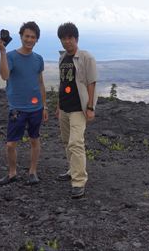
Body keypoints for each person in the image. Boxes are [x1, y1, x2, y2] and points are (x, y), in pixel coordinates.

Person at [0, 21, 48, 186]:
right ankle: (12, 173)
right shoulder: (10, 56)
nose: (29, 39)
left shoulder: (38, 59)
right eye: (27, 36)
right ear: (21, 37)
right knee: (11, 144)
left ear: (37, 39)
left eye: (33, 37)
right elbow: (4, 76)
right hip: (17, 109)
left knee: (34, 140)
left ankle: (32, 172)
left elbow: (40, 83)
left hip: (36, 107)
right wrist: (2, 51)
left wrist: (44, 105)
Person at [55, 22, 98, 199]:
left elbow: (91, 82)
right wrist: (58, 106)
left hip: (78, 109)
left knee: (76, 142)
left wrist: (90, 107)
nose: (67, 42)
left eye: (70, 38)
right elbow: (62, 83)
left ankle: (79, 181)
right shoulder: (62, 58)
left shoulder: (86, 57)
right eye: (63, 38)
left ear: (76, 38)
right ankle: (73, 170)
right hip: (64, 108)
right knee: (67, 142)